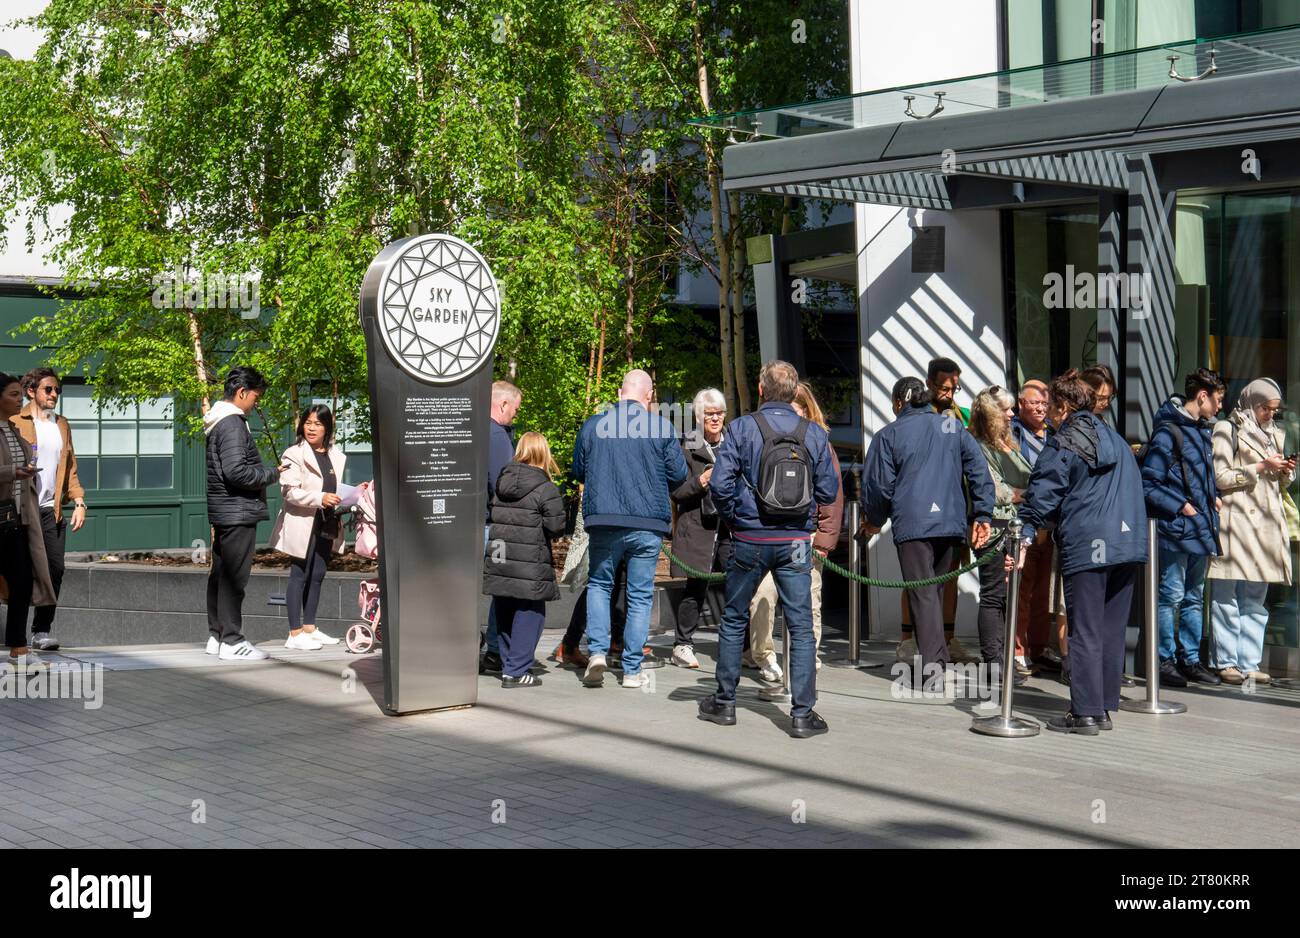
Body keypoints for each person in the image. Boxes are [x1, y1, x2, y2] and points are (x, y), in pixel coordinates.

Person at [697, 360, 840, 738]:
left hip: (750, 539)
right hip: (794, 542)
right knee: (801, 627)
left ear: (760, 390)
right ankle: (802, 715)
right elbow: (827, 492)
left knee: (733, 618)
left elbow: (720, 486)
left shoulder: (742, 429)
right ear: (795, 392)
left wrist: (737, 519)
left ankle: (725, 704)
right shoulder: (814, 434)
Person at [1017, 372, 1148, 734]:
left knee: (1085, 628)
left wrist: (1026, 530)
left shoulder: (1066, 441)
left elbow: (1043, 492)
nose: (1049, 416)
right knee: (1110, 628)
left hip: (1089, 544)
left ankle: (1086, 713)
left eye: (1052, 407)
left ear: (1063, 406)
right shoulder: (1117, 440)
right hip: (1128, 543)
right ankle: (1103, 705)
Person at [861, 376, 995, 679]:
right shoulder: (951, 428)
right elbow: (978, 471)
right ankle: (939, 657)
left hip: (914, 526)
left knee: (922, 594)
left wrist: (874, 520)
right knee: (933, 592)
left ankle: (934, 668)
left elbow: (879, 487)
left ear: (898, 402)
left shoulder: (889, 434)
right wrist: (983, 514)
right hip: (951, 524)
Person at [571, 369, 688, 689]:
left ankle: (596, 652)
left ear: (621, 393)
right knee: (638, 595)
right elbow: (679, 475)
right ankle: (632, 670)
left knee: (599, 585)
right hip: (647, 524)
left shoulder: (594, 425)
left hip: (604, 519)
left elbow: (578, 470)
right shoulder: (662, 427)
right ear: (649, 397)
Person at [746, 381, 843, 673]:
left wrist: (825, 538)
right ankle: (764, 656)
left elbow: (833, 493)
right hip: (765, 532)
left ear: (805, 408)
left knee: (807, 600)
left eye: (793, 407)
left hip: (805, 535)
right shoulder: (761, 436)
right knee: (762, 596)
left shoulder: (817, 440)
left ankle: (806, 662)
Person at [1208, 378, 1297, 685]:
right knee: (1226, 594)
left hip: (1266, 524)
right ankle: (1226, 661)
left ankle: (1249, 661)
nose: (1270, 415)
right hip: (1236, 522)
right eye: (1265, 408)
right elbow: (1220, 477)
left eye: (1274, 409)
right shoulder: (1226, 429)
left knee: (1256, 599)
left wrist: (1285, 472)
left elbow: (1280, 483)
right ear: (1251, 403)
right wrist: (1259, 468)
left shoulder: (1274, 433)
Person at [1142, 367, 1226, 687]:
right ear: (1201, 396)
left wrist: (1213, 497)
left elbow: (1195, 477)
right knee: (1172, 596)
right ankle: (1164, 660)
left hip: (1198, 526)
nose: (1219, 407)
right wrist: (1182, 505)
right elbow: (1150, 483)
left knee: (1193, 596)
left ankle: (1189, 659)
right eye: (1217, 400)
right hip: (1178, 528)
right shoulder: (1168, 431)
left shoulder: (1201, 431)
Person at [898, 357, 979, 664]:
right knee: (916, 580)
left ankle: (947, 638)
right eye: (944, 387)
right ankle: (908, 640)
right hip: (922, 506)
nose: (949, 393)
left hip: (955, 506)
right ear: (929, 383)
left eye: (953, 387)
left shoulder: (963, 415)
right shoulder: (917, 414)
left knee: (950, 577)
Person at [204, 366, 287, 661]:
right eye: (256, 396)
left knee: (221, 575)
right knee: (234, 579)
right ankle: (232, 640)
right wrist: (271, 474)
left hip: (225, 511)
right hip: (238, 511)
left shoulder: (218, 422)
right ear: (242, 393)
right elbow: (236, 471)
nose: (256, 403)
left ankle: (217, 636)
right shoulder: (233, 424)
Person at [9, 367, 86, 652]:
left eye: (57, 390)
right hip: (20, 511)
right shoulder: (15, 421)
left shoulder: (62, 424)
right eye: (49, 390)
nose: (55, 394)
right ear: (32, 392)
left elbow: (71, 468)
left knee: (55, 568)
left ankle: (41, 630)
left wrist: (78, 501)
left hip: (49, 510)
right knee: (21, 572)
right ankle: (15, 634)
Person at [482, 431, 566, 688]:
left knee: (505, 609)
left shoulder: (501, 483)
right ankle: (517, 671)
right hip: (530, 561)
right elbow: (556, 527)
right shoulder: (545, 488)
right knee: (530, 613)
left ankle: (509, 667)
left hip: (501, 557)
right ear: (543, 453)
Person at [967, 386, 1031, 684]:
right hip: (992, 526)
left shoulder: (1007, 442)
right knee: (993, 594)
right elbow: (992, 490)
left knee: (1006, 595)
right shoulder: (978, 444)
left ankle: (1002, 658)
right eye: (1005, 409)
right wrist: (1019, 494)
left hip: (1013, 525)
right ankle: (993, 661)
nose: (1011, 414)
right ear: (990, 413)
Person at [269, 404, 346, 650]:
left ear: (327, 428)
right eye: (308, 423)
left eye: (318, 424)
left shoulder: (335, 455)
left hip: (327, 520)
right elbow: (289, 491)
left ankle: (310, 628)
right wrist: (319, 498)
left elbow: (334, 487)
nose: (312, 428)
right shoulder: (293, 453)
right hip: (303, 521)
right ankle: (294, 633)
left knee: (318, 574)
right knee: (299, 574)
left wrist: (353, 494)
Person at [668, 387, 732, 669]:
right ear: (698, 417)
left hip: (730, 527)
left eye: (719, 413)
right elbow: (676, 492)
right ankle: (682, 645)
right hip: (698, 528)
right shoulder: (686, 446)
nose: (715, 418)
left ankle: (738, 647)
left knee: (737, 587)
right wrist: (701, 482)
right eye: (709, 414)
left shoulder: (734, 444)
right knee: (696, 587)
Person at [0, 372, 56, 670]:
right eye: (12, 394)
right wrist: (13, 472)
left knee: (22, 581)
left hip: (16, 519)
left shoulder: (14, 430)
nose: (18, 399)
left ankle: (19, 650)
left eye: (19, 394)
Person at [1010, 378, 1057, 677]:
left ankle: (1039, 649)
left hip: (1052, 523)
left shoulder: (1057, 433)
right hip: (1023, 520)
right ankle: (1017, 650)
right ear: (1020, 404)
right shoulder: (1010, 433)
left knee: (1044, 594)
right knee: (1020, 592)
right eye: (1034, 402)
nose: (1040, 407)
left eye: (1044, 402)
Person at [481, 380, 522, 674]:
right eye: (515, 410)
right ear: (503, 404)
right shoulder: (496, 436)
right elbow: (503, 484)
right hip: (492, 528)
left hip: (478, 523)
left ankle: (493, 650)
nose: (515, 416)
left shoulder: (476, 429)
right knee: (503, 587)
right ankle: (496, 650)